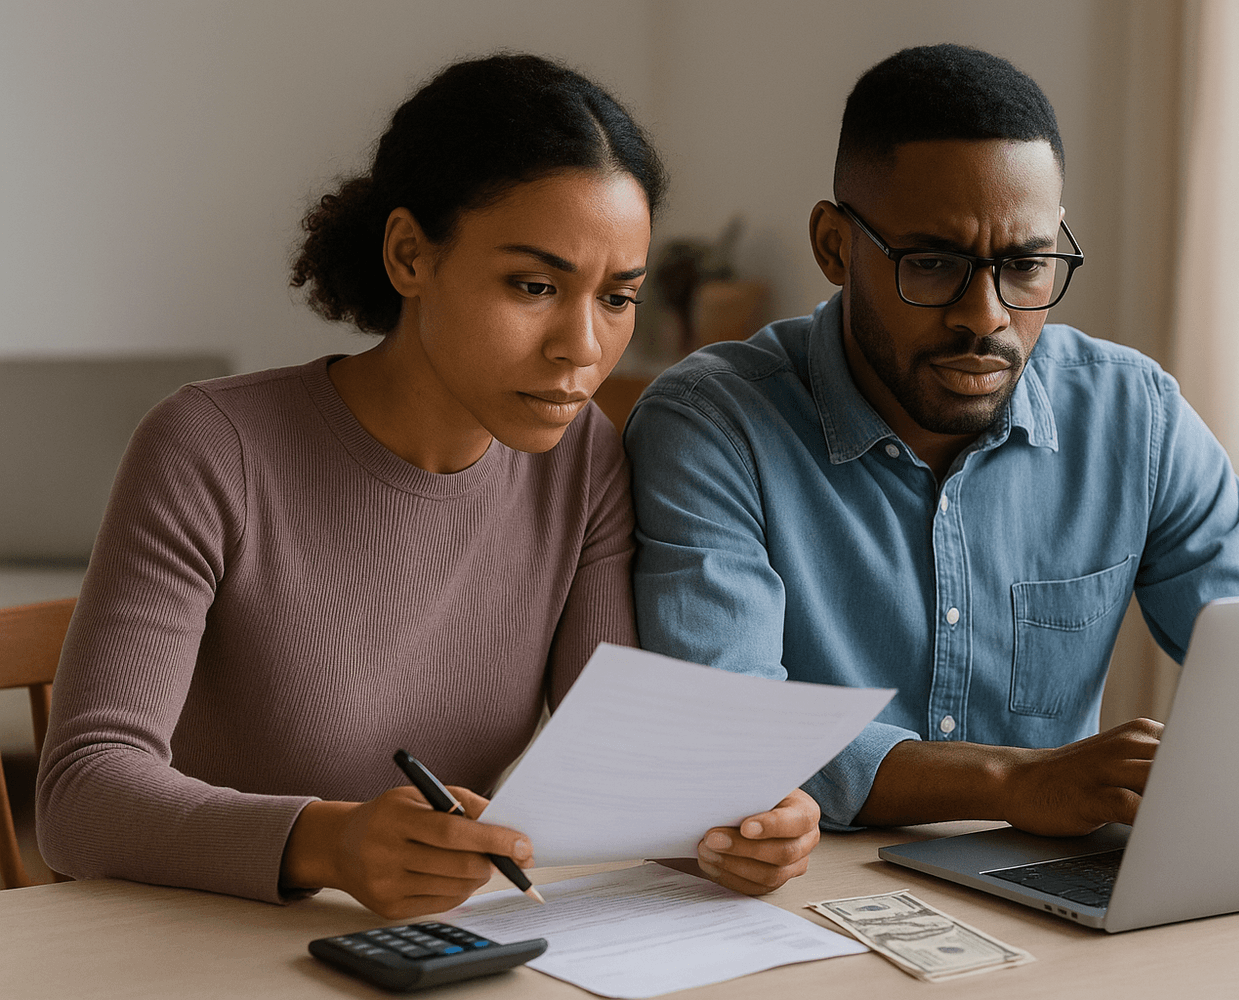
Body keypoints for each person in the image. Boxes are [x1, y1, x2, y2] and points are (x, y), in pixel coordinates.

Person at [37, 53, 818, 918]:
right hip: (184, 945)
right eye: (534, 286)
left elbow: (623, 774)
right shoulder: (210, 448)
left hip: (418, 953)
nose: (584, 347)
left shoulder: (582, 459)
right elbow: (80, 798)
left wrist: (730, 828)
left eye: (616, 297)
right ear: (410, 254)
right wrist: (328, 842)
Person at [625, 45, 1239, 836]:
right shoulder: (714, 424)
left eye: (1025, 265)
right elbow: (727, 730)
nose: (986, 316)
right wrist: (1014, 782)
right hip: (805, 896)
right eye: (935, 263)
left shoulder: (1134, 417)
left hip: (1046, 906)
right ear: (835, 247)